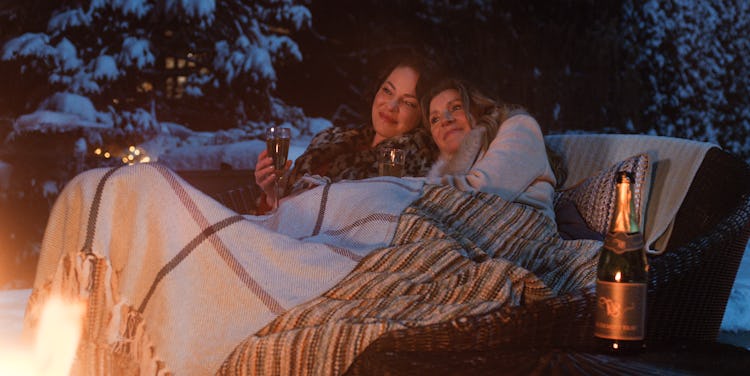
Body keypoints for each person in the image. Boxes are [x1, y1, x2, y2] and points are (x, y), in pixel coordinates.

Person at [253, 54, 439, 212]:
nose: (390, 106)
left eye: (408, 102)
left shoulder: (409, 167)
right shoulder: (330, 139)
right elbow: (278, 214)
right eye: (387, 90)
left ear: (422, 113)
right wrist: (272, 194)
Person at [421, 77, 557, 220]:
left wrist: (405, 188)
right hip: (466, 234)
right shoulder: (442, 176)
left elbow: (482, 192)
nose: (445, 120)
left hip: (522, 231)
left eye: (456, 108)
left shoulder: (520, 127)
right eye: (435, 119)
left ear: (477, 108)